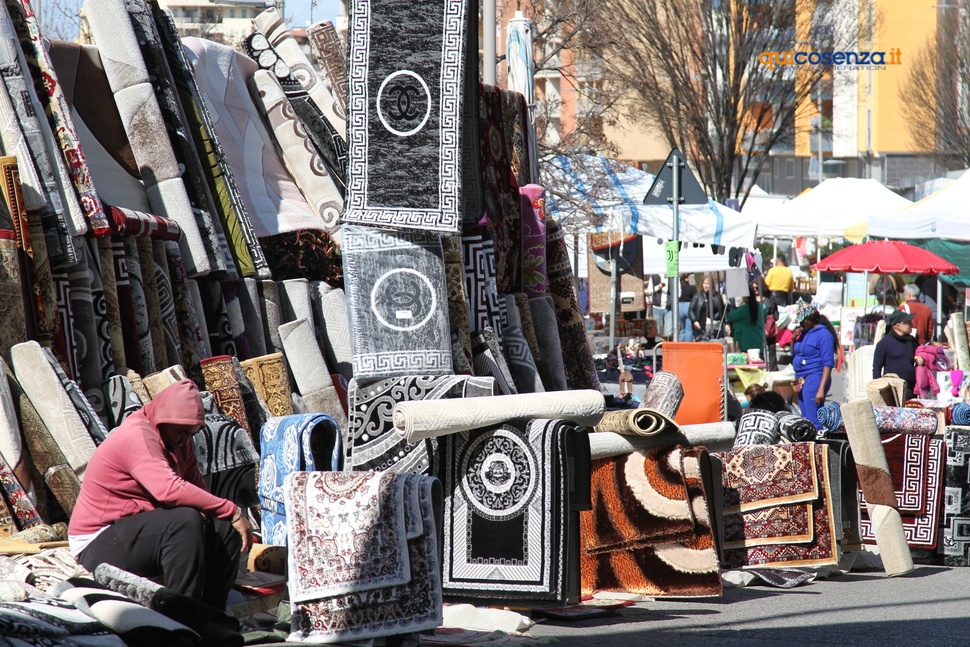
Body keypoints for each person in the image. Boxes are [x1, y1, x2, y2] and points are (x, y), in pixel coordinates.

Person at [68, 379, 252, 610]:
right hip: (98, 541)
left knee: (224, 530)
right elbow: (169, 490)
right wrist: (232, 510)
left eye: (191, 433)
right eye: (181, 431)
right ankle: (183, 614)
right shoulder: (138, 435)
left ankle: (213, 614)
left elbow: (195, 487)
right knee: (184, 521)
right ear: (162, 418)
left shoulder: (179, 442)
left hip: (138, 533)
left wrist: (225, 518)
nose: (184, 439)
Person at [792, 301, 836, 429]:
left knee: (813, 416)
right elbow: (794, 352)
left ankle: (818, 442)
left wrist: (821, 389)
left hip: (814, 376)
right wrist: (793, 339)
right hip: (799, 376)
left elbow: (828, 363)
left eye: (803, 320)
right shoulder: (803, 332)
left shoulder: (824, 334)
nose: (801, 323)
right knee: (803, 415)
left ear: (811, 319)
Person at [873, 309, 924, 400]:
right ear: (898, 326)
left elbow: (921, 354)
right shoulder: (884, 343)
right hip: (892, 391)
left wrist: (922, 359)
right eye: (908, 322)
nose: (911, 324)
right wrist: (879, 391)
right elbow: (877, 369)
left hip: (911, 390)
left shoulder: (912, 341)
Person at [727, 280, 767, 353]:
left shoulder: (744, 309)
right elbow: (765, 320)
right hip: (759, 342)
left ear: (745, 297)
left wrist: (734, 306)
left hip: (745, 344)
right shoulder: (763, 307)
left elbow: (731, 316)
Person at [689, 276, 725, 340]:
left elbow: (723, 310)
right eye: (704, 283)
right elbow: (691, 309)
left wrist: (727, 323)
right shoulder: (698, 295)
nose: (705, 286)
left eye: (707, 283)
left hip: (715, 327)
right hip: (700, 328)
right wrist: (695, 321)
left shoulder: (717, 295)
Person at [648, 274, 670, 338]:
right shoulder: (653, 276)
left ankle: (668, 346)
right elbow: (649, 291)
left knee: (669, 330)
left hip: (669, 307)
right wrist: (658, 287)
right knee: (657, 330)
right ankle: (659, 346)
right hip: (657, 307)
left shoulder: (671, 276)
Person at [677, 274, 696, 342]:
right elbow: (695, 298)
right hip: (688, 306)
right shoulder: (691, 287)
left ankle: (681, 343)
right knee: (689, 328)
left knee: (682, 328)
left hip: (679, 306)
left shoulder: (679, 286)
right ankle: (688, 345)